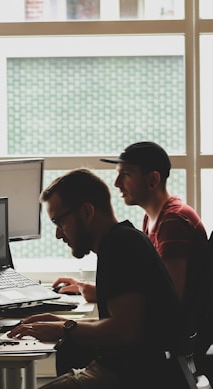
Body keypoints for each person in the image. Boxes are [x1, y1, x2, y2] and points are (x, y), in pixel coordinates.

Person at [0, 168, 184, 389]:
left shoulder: (120, 247)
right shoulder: (124, 240)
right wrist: (59, 322)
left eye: (59, 221)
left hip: (127, 386)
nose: (58, 234)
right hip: (134, 380)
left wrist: (66, 328)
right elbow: (122, 323)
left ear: (86, 211)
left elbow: (125, 331)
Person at [53, 142, 211, 371]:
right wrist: (92, 290)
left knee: (71, 346)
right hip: (163, 341)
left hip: (165, 351)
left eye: (126, 175)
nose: (117, 183)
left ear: (153, 180)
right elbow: (151, 289)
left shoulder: (172, 223)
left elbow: (171, 297)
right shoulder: (153, 219)